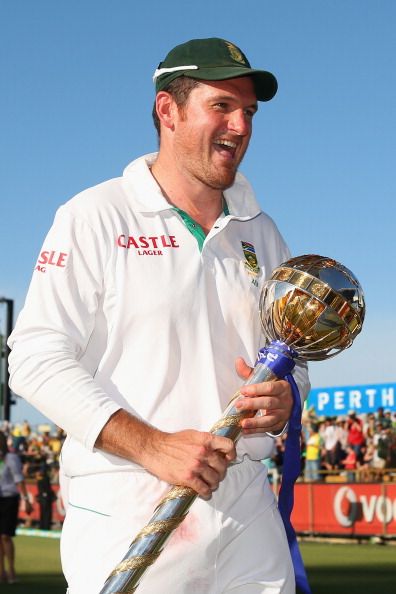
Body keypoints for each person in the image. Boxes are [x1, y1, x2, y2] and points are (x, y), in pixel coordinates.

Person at [8, 37, 310, 594]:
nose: (240, 126)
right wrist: (152, 445)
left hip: (246, 502)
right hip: (131, 499)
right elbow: (33, 358)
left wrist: (286, 398)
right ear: (166, 110)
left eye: (248, 112)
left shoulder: (263, 232)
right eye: (222, 106)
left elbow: (291, 359)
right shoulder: (95, 214)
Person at [0, 431, 32, 584]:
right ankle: (1, 571)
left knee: (5, 535)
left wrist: (26, 499)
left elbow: (19, 479)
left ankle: (11, 569)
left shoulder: (11, 458)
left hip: (9, 499)